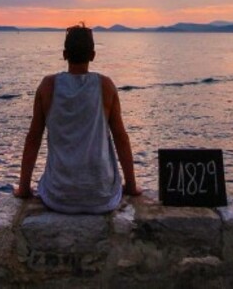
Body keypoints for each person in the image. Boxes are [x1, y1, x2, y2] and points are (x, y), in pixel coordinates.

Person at [14, 23, 141, 213]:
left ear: (65, 54)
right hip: (101, 195)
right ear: (93, 55)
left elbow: (33, 139)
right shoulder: (105, 86)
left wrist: (24, 188)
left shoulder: (48, 86)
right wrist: (130, 186)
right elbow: (121, 138)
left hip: (58, 195)